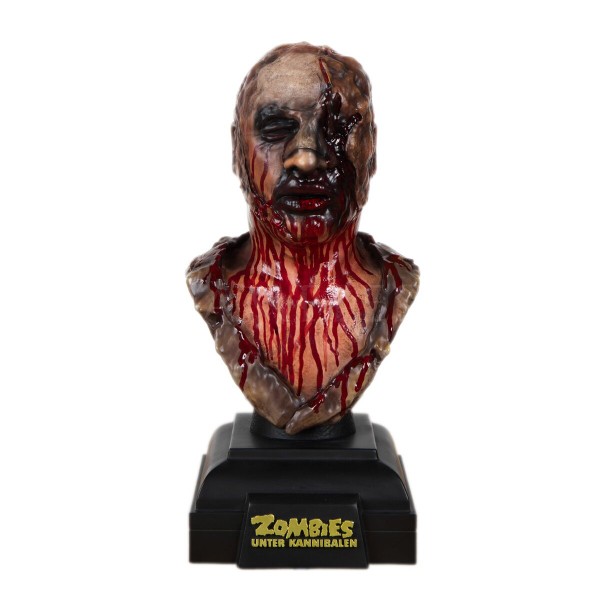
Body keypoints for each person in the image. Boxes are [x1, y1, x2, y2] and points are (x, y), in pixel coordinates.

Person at [187, 43, 419, 434]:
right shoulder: (211, 286)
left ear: (372, 149)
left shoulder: (395, 287)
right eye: (276, 130)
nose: (307, 158)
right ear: (238, 150)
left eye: (337, 130)